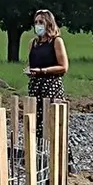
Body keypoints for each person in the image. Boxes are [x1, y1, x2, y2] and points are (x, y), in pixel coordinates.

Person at [25, 9, 70, 139]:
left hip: (51, 86)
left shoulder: (56, 41)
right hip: (35, 86)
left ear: (48, 23)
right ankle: (36, 154)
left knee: (51, 122)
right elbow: (32, 63)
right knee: (35, 122)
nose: (38, 25)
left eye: (41, 22)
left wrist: (43, 71)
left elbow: (63, 67)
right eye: (36, 22)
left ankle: (54, 155)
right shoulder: (33, 43)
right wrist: (30, 70)